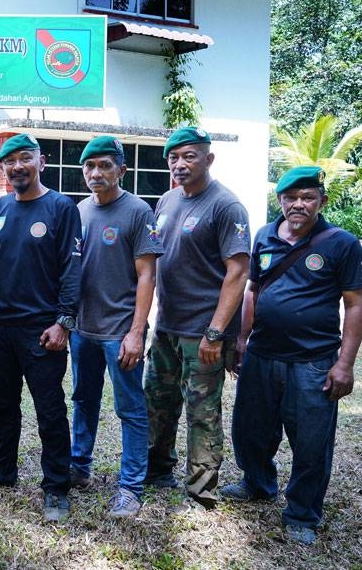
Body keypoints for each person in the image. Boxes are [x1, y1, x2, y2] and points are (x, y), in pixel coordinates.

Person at [222, 166, 362, 546]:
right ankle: (257, 483)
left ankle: (302, 512)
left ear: (322, 201)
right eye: (291, 198)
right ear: (280, 200)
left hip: (313, 361)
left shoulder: (342, 243)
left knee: (312, 443)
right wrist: (242, 338)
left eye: (307, 197)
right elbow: (253, 290)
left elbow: (354, 304)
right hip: (261, 354)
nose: (299, 204)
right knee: (250, 429)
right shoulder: (264, 235)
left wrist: (345, 364)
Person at [0, 133, 82, 523]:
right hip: (1, 328)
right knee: (2, 406)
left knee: (50, 411)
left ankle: (56, 487)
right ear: (3, 168)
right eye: (9, 161)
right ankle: (2, 471)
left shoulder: (61, 208)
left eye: (25, 158)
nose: (17, 166)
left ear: (41, 162)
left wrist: (64, 322)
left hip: (42, 330)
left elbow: (72, 269)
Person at [144, 126, 250, 511]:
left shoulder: (226, 205)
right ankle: (157, 470)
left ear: (209, 158)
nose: (180, 164)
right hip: (167, 325)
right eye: (173, 158)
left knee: (202, 412)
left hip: (203, 333)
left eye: (189, 156)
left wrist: (216, 333)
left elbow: (238, 272)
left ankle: (201, 490)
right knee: (157, 400)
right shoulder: (167, 200)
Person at [70, 136, 161, 518]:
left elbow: (147, 276)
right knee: (83, 400)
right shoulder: (78, 210)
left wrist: (136, 332)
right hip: (82, 330)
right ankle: (79, 466)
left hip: (120, 332)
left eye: (105, 165)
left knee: (130, 409)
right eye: (90, 166)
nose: (96, 173)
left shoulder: (138, 212)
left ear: (121, 170)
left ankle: (130, 487)